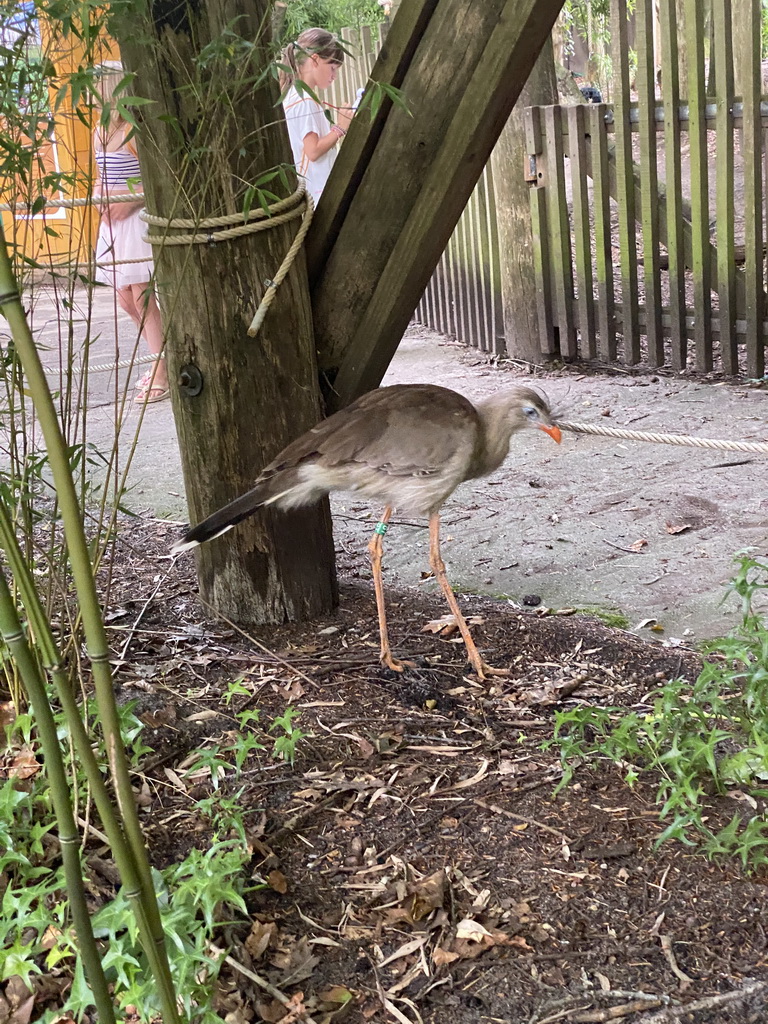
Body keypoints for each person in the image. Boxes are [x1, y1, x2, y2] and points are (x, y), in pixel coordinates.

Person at [93, 63, 168, 404]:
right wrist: (99, 199)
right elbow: (100, 176)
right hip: (111, 225)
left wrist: (130, 201)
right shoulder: (99, 130)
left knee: (142, 296)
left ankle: (161, 369)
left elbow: (155, 178)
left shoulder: (134, 131)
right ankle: (164, 352)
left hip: (135, 220)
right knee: (125, 297)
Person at [279, 29, 354, 203]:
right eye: (332, 68)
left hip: (310, 191)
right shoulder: (305, 100)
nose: (334, 76)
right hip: (317, 192)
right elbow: (313, 151)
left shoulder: (294, 96)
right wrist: (340, 128)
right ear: (315, 60)